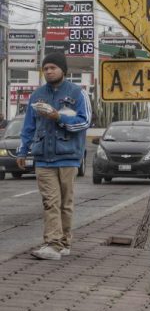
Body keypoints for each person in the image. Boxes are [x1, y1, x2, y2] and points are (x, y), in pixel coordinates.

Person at [16, 52, 91, 261]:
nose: (49, 71)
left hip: (68, 156)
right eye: (46, 68)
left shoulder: (78, 93)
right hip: (43, 157)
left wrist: (58, 117)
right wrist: (22, 150)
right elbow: (28, 126)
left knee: (65, 204)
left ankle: (64, 243)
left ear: (63, 70)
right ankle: (52, 244)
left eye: (53, 68)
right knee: (50, 201)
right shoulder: (37, 95)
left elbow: (85, 122)